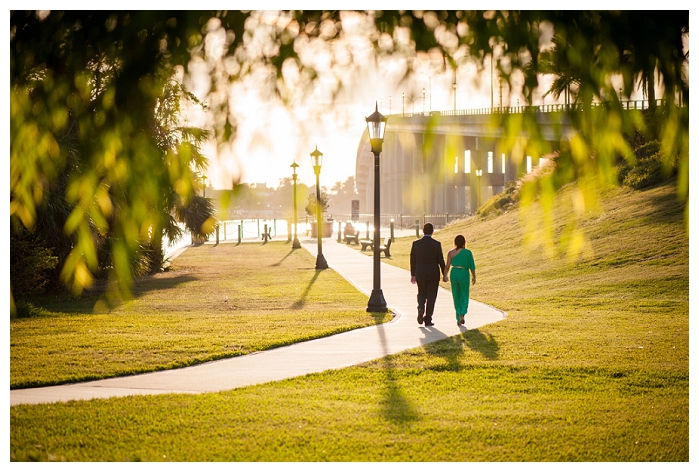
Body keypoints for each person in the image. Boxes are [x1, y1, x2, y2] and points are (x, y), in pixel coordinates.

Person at [410, 222, 446, 327]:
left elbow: (413, 260)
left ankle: (421, 307)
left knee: (421, 292)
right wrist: (445, 273)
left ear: (422, 231)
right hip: (433, 273)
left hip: (420, 272)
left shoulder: (416, 244)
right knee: (431, 296)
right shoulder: (436, 244)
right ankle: (428, 318)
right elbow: (440, 260)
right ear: (432, 232)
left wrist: (413, 274)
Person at [443, 234, 476, 326]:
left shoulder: (451, 252)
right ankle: (462, 313)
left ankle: (458, 318)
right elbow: (472, 267)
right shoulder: (468, 253)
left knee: (456, 294)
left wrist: (444, 276)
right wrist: (474, 277)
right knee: (464, 294)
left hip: (454, 272)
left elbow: (447, 266)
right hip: (464, 273)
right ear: (464, 243)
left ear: (455, 243)